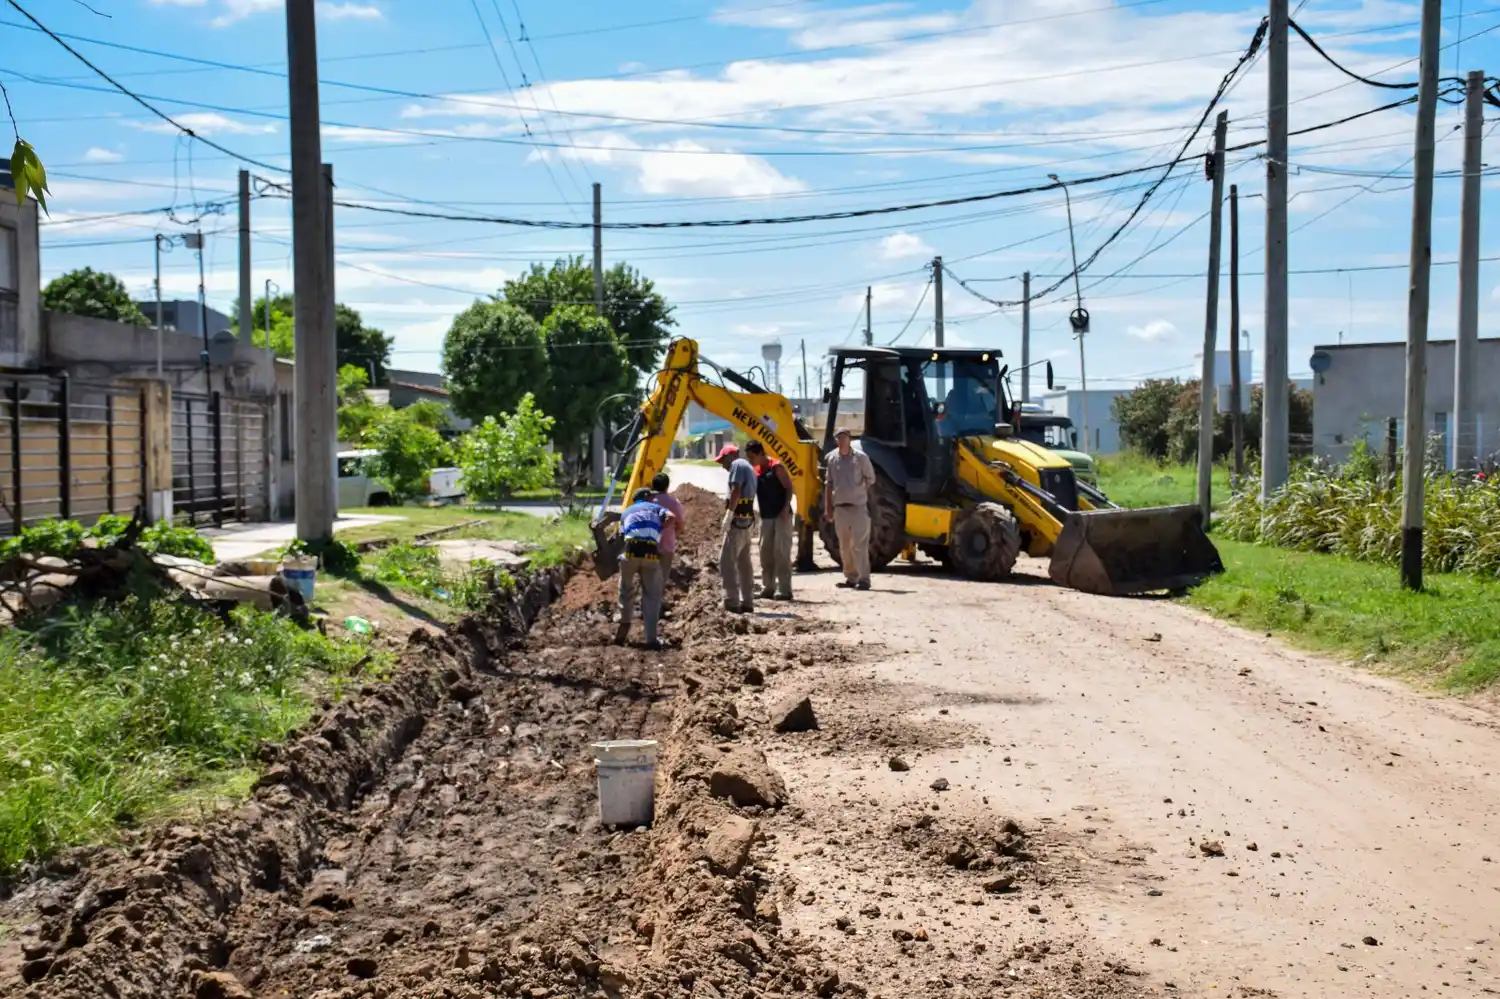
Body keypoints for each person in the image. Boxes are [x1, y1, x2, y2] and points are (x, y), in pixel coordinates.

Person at [615, 487, 672, 650]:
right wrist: (659, 530)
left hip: (630, 552)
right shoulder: (655, 508)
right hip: (650, 554)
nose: (654, 499)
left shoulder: (626, 512)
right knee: (652, 595)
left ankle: (624, 623)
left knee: (626, 589)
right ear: (646, 497)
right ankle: (651, 639)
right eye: (652, 497)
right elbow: (672, 517)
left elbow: (622, 533)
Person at [824, 427, 876, 590]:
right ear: (836, 440)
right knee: (844, 545)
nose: (842, 440)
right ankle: (851, 578)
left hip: (858, 507)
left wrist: (858, 494)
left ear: (850, 439)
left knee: (860, 544)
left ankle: (864, 579)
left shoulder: (861, 458)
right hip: (840, 508)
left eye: (845, 437)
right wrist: (828, 508)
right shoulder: (832, 459)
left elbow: (870, 479)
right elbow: (828, 484)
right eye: (839, 437)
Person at [746, 440, 794, 601]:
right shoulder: (756, 471)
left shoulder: (776, 467)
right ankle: (769, 587)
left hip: (781, 516)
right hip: (765, 516)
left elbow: (788, 487)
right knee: (765, 552)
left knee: (781, 552)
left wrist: (786, 507)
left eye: (752, 457)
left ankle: (785, 589)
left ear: (760, 454)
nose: (751, 460)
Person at [716, 443, 758, 613]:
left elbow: (736, 490)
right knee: (744, 563)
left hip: (739, 520)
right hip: (747, 520)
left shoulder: (737, 465)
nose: (723, 466)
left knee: (726, 561)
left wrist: (729, 514)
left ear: (730, 456)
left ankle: (731, 601)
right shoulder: (747, 466)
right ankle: (748, 601)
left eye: (723, 461)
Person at [649, 471, 686, 583]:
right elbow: (680, 524)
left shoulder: (648, 501)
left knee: (648, 577)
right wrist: (675, 535)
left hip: (648, 545)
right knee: (662, 577)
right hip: (667, 545)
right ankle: (658, 599)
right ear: (667, 486)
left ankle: (648, 599)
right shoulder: (674, 503)